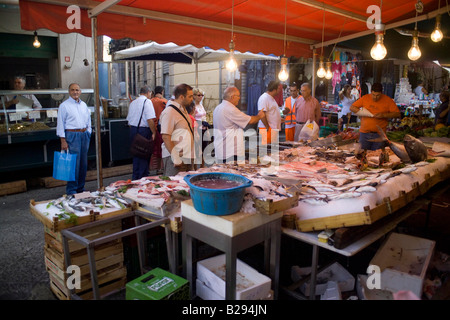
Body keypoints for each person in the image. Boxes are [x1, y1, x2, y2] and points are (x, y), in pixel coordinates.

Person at [350, 82, 400, 164]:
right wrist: (363, 113)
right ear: (371, 92)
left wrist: (383, 115)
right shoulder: (365, 98)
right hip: (364, 132)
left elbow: (397, 114)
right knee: (361, 157)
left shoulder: (388, 100)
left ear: (381, 93)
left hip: (379, 134)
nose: (375, 97)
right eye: (373, 95)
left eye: (378, 95)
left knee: (376, 158)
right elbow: (352, 107)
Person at [213, 86, 265, 163]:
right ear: (232, 97)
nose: (239, 98)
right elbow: (250, 121)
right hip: (230, 153)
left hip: (221, 150)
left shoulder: (218, 107)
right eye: (238, 96)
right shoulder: (230, 109)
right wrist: (260, 115)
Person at [56, 83, 92, 195]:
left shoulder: (84, 105)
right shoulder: (64, 106)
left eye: (77, 90)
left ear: (80, 91)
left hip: (84, 134)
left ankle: (81, 188)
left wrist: (88, 131)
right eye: (73, 90)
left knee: (83, 163)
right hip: (72, 135)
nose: (75, 92)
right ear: (69, 92)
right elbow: (60, 123)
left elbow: (88, 119)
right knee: (73, 164)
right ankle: (71, 190)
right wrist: (63, 140)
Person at [159, 83, 195, 176]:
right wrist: (175, 157)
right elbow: (166, 136)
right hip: (176, 158)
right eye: (190, 96)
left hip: (186, 155)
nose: (192, 99)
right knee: (174, 186)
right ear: (182, 97)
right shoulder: (169, 112)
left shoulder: (183, 109)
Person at [126, 86, 157, 180]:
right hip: (143, 131)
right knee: (144, 156)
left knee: (136, 155)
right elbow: (150, 120)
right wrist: (154, 132)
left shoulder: (133, 102)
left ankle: (135, 178)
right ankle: (142, 180)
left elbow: (129, 120)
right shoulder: (147, 102)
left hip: (133, 130)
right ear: (148, 92)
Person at [258, 80, 282, 145]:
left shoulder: (271, 98)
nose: (280, 91)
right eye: (279, 89)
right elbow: (261, 114)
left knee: (272, 151)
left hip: (272, 129)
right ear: (274, 89)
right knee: (266, 151)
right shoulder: (264, 98)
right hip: (268, 129)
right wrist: (267, 126)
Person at [150, 86, 167, 172]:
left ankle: (153, 168)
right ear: (162, 92)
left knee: (154, 149)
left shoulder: (150, 101)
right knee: (161, 148)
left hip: (151, 127)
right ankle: (160, 168)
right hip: (160, 127)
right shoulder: (163, 102)